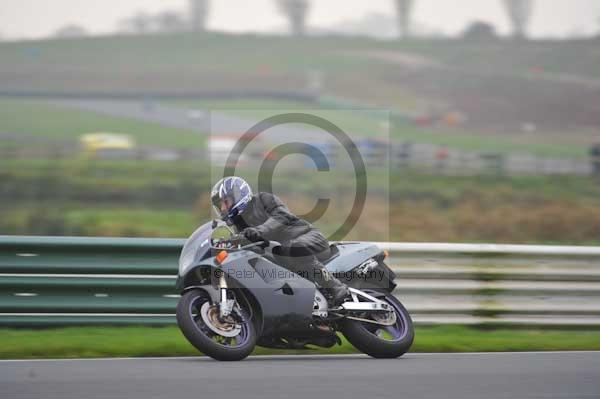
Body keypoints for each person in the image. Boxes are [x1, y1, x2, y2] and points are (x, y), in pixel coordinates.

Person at [210, 176, 349, 306]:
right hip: (283, 254)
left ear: (238, 195)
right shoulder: (239, 225)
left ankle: (335, 287)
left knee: (293, 248)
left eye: (225, 203)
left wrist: (260, 231)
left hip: (310, 238)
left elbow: (282, 216)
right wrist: (228, 243)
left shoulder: (264, 199)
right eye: (219, 206)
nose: (222, 209)